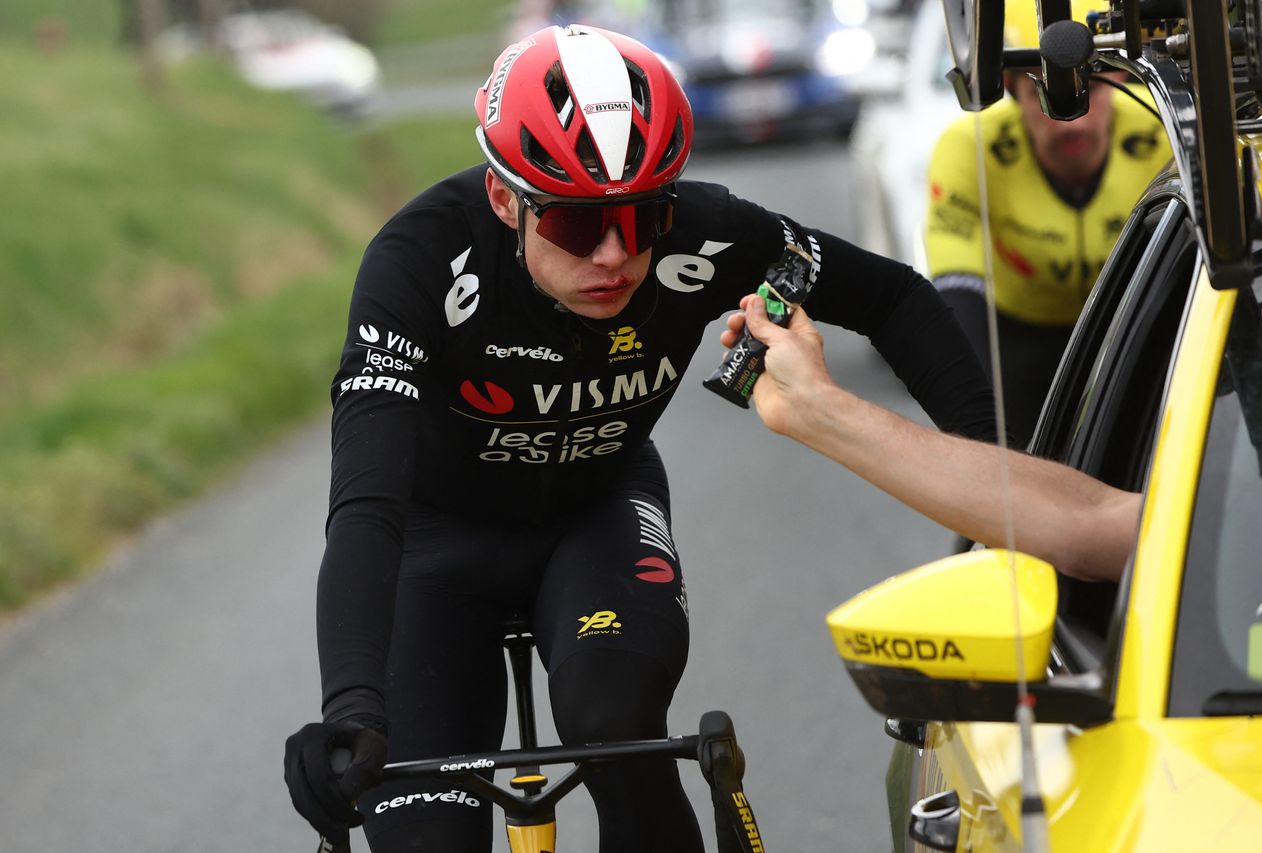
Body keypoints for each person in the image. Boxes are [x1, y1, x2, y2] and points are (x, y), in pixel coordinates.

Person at [282, 23, 999, 853]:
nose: (618, 254)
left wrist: (1002, 505)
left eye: (643, 213)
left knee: (616, 723)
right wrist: (350, 709)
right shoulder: (417, 264)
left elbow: (895, 299)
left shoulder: (706, 233)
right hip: (435, 543)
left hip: (598, 514)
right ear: (505, 198)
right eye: (580, 227)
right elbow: (367, 503)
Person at [721, 294, 1142, 583]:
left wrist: (815, 407)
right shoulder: (1183, 528)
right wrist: (812, 404)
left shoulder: (1178, 529)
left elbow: (1086, 523)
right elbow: (1089, 521)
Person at [924, 0, 1171, 446]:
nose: (1069, 125)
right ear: (1011, 88)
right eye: (1043, 91)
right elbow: (956, 293)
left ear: (1118, 77)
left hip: (1136, 329)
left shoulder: (1162, 132)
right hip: (1022, 337)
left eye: (1088, 87)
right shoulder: (969, 148)